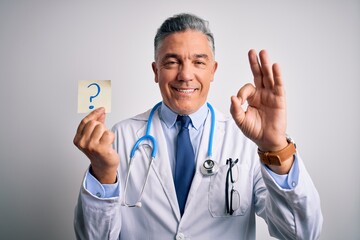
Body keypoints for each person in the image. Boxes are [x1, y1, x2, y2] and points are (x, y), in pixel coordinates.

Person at [73, 13, 323, 239]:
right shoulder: (121, 137)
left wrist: (275, 147)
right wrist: (103, 173)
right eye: (172, 62)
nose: (185, 75)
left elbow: (301, 233)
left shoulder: (247, 140)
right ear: (155, 71)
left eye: (199, 62)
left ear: (213, 70)